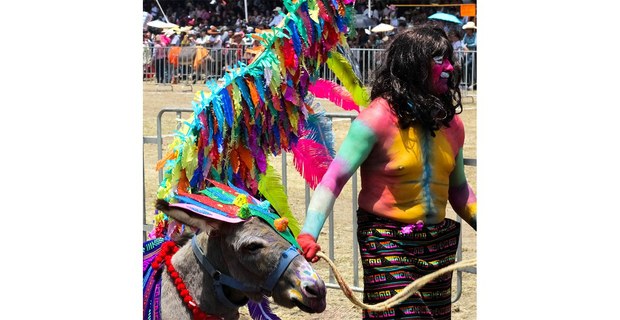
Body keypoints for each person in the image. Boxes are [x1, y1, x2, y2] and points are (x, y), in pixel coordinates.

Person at [296, 25, 477, 319]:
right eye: (438, 59)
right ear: (413, 63)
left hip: (437, 245)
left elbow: (458, 190)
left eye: (448, 59)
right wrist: (308, 233)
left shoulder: (451, 125)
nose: (448, 68)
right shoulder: (376, 120)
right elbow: (333, 180)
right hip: (387, 241)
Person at [461, 21, 477, 90]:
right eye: (466, 29)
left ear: (471, 29)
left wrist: (467, 46)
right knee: (467, 67)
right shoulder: (465, 35)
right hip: (467, 54)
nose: (466, 30)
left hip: (474, 53)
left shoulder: (476, 35)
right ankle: (467, 83)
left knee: (468, 66)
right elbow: (462, 42)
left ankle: (471, 83)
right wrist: (464, 47)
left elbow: (476, 44)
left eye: (468, 29)